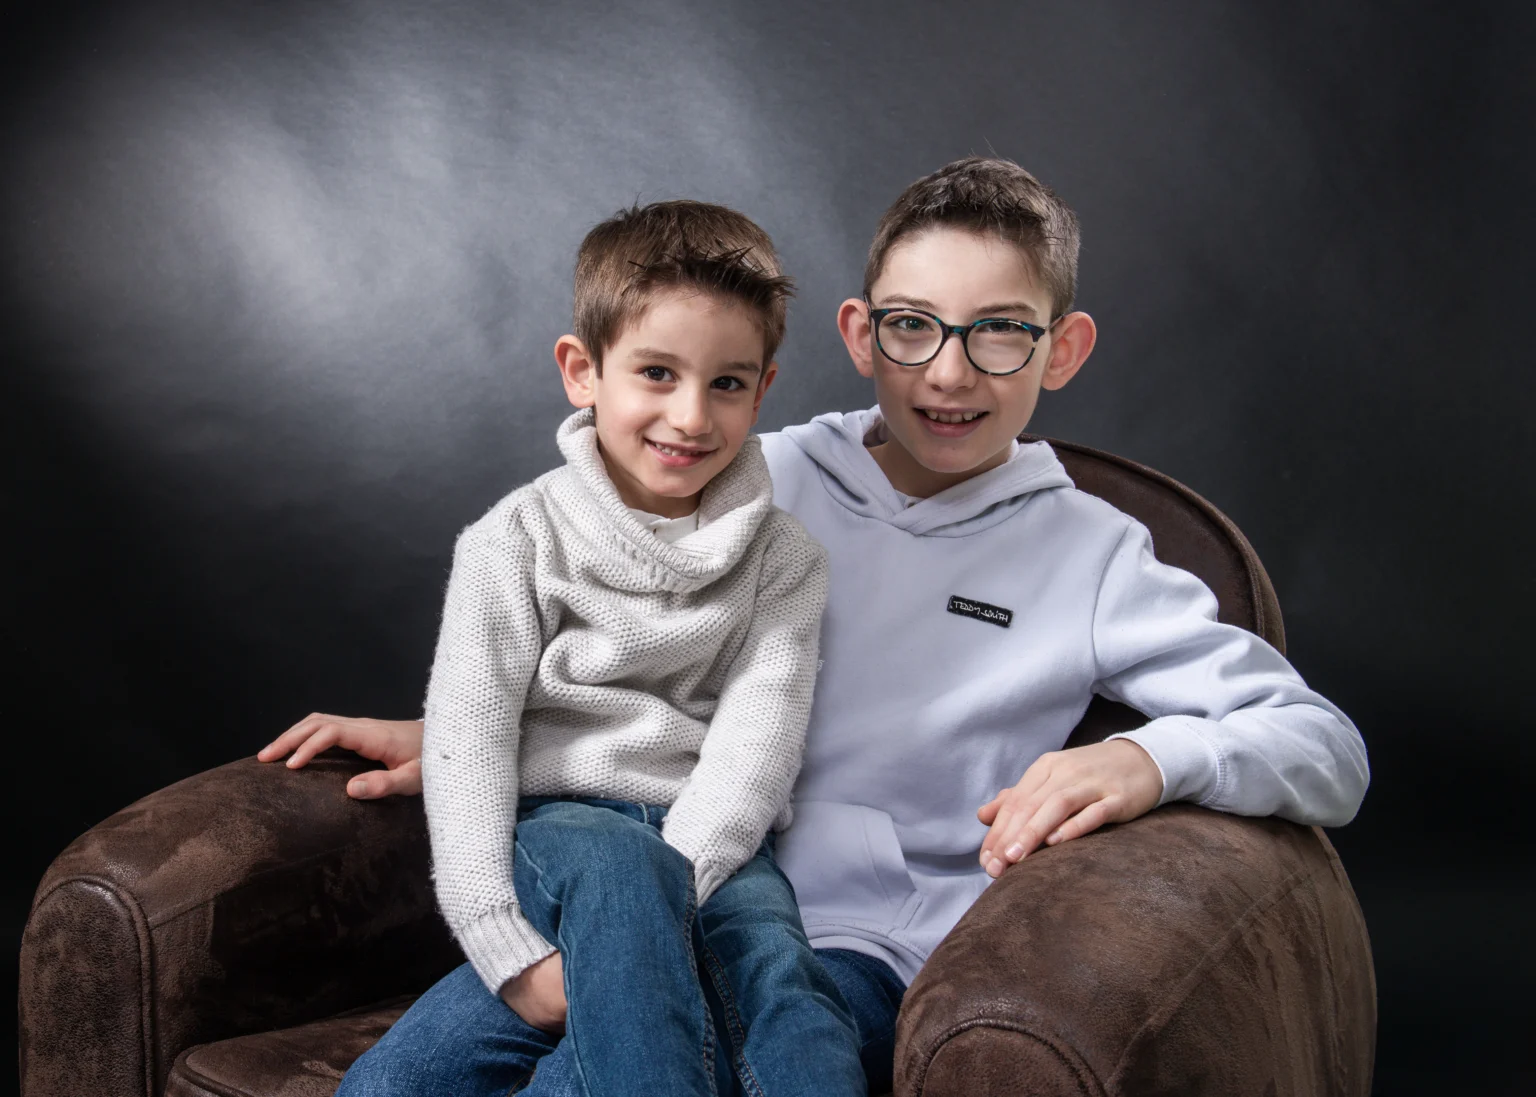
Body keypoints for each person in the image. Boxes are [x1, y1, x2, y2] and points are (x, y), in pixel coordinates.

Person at [264, 157, 1370, 1094]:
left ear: (1062, 349)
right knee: (410, 1075)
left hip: (851, 942)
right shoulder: (754, 470)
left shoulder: (1097, 555)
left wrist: (1148, 755)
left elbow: (1327, 749)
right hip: (651, 875)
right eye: (912, 326)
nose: (947, 370)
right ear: (859, 331)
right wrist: (469, 732)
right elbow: (611, 632)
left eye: (999, 334)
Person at [299, 198, 870, 1097]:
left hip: (719, 846)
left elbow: (756, 750)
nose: (690, 414)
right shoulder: (515, 539)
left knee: (789, 1000)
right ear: (583, 370)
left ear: (762, 389)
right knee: (616, 862)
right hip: (561, 833)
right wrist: (502, 943)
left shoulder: (785, 561)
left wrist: (659, 923)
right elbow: (468, 739)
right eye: (656, 372)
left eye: (727, 383)